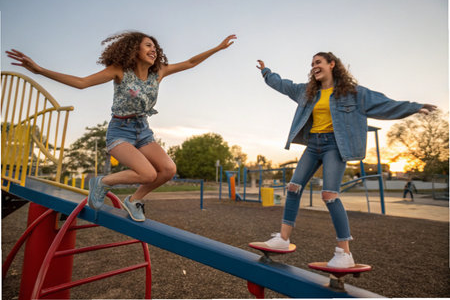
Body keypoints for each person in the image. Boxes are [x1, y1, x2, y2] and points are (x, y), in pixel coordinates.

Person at [6, 32, 236, 222]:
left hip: (143, 130)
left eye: (155, 46)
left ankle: (134, 200)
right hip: (120, 131)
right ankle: (102, 182)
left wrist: (217, 48)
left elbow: (190, 62)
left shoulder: (159, 72)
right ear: (134, 50)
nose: (153, 49)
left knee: (168, 170)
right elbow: (82, 82)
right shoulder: (119, 71)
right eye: (148, 45)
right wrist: (40, 70)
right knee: (146, 173)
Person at [251, 52, 436, 268]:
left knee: (329, 195)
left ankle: (344, 253)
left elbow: (384, 104)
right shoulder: (306, 92)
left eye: (318, 62)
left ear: (332, 64)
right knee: (293, 187)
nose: (314, 67)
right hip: (313, 145)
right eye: (312, 64)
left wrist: (414, 107)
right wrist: (266, 72)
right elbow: (284, 85)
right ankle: (283, 239)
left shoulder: (352, 93)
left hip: (335, 146)